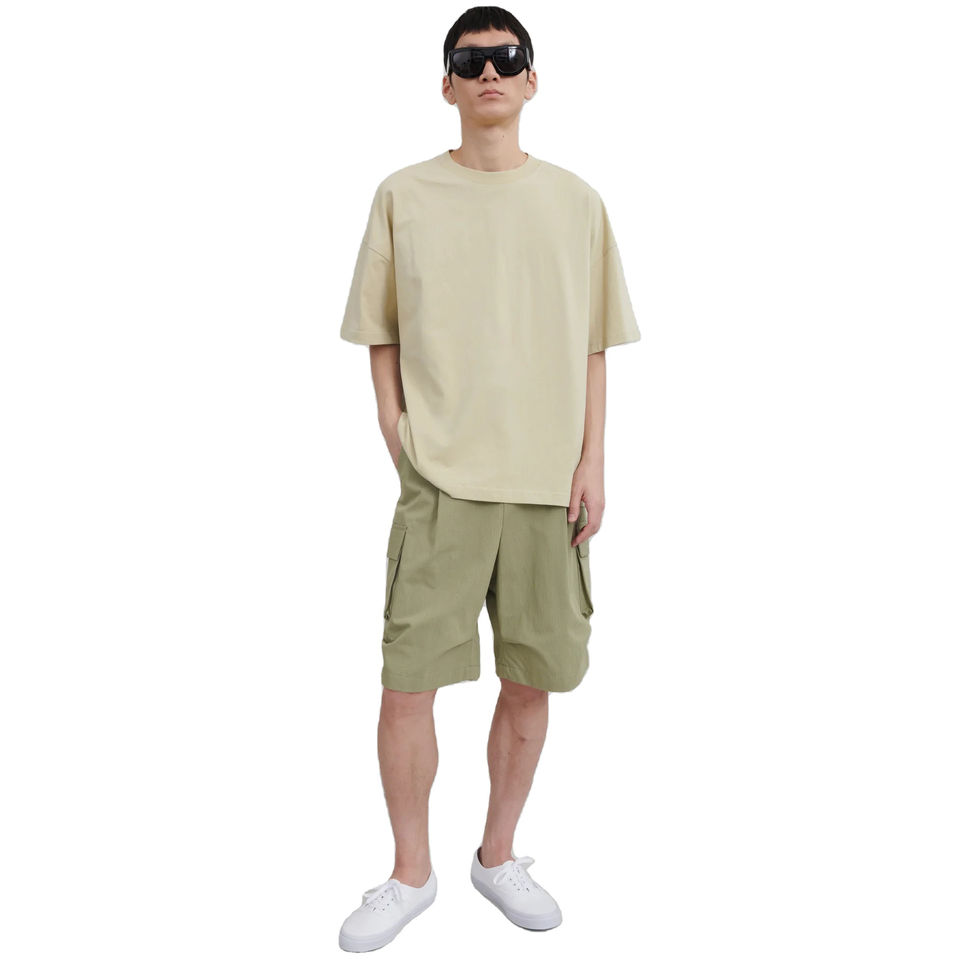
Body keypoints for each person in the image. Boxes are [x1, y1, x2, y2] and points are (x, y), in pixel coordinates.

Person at [336, 6, 640, 952]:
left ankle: (496, 855)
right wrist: (397, 431)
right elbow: (380, 330)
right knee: (406, 685)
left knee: (532, 680)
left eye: (507, 58)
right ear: (447, 86)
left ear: (533, 80)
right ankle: (410, 874)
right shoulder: (404, 195)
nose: (490, 74)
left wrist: (594, 459)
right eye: (470, 62)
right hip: (441, 482)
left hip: (548, 483)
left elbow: (593, 344)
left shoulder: (578, 203)